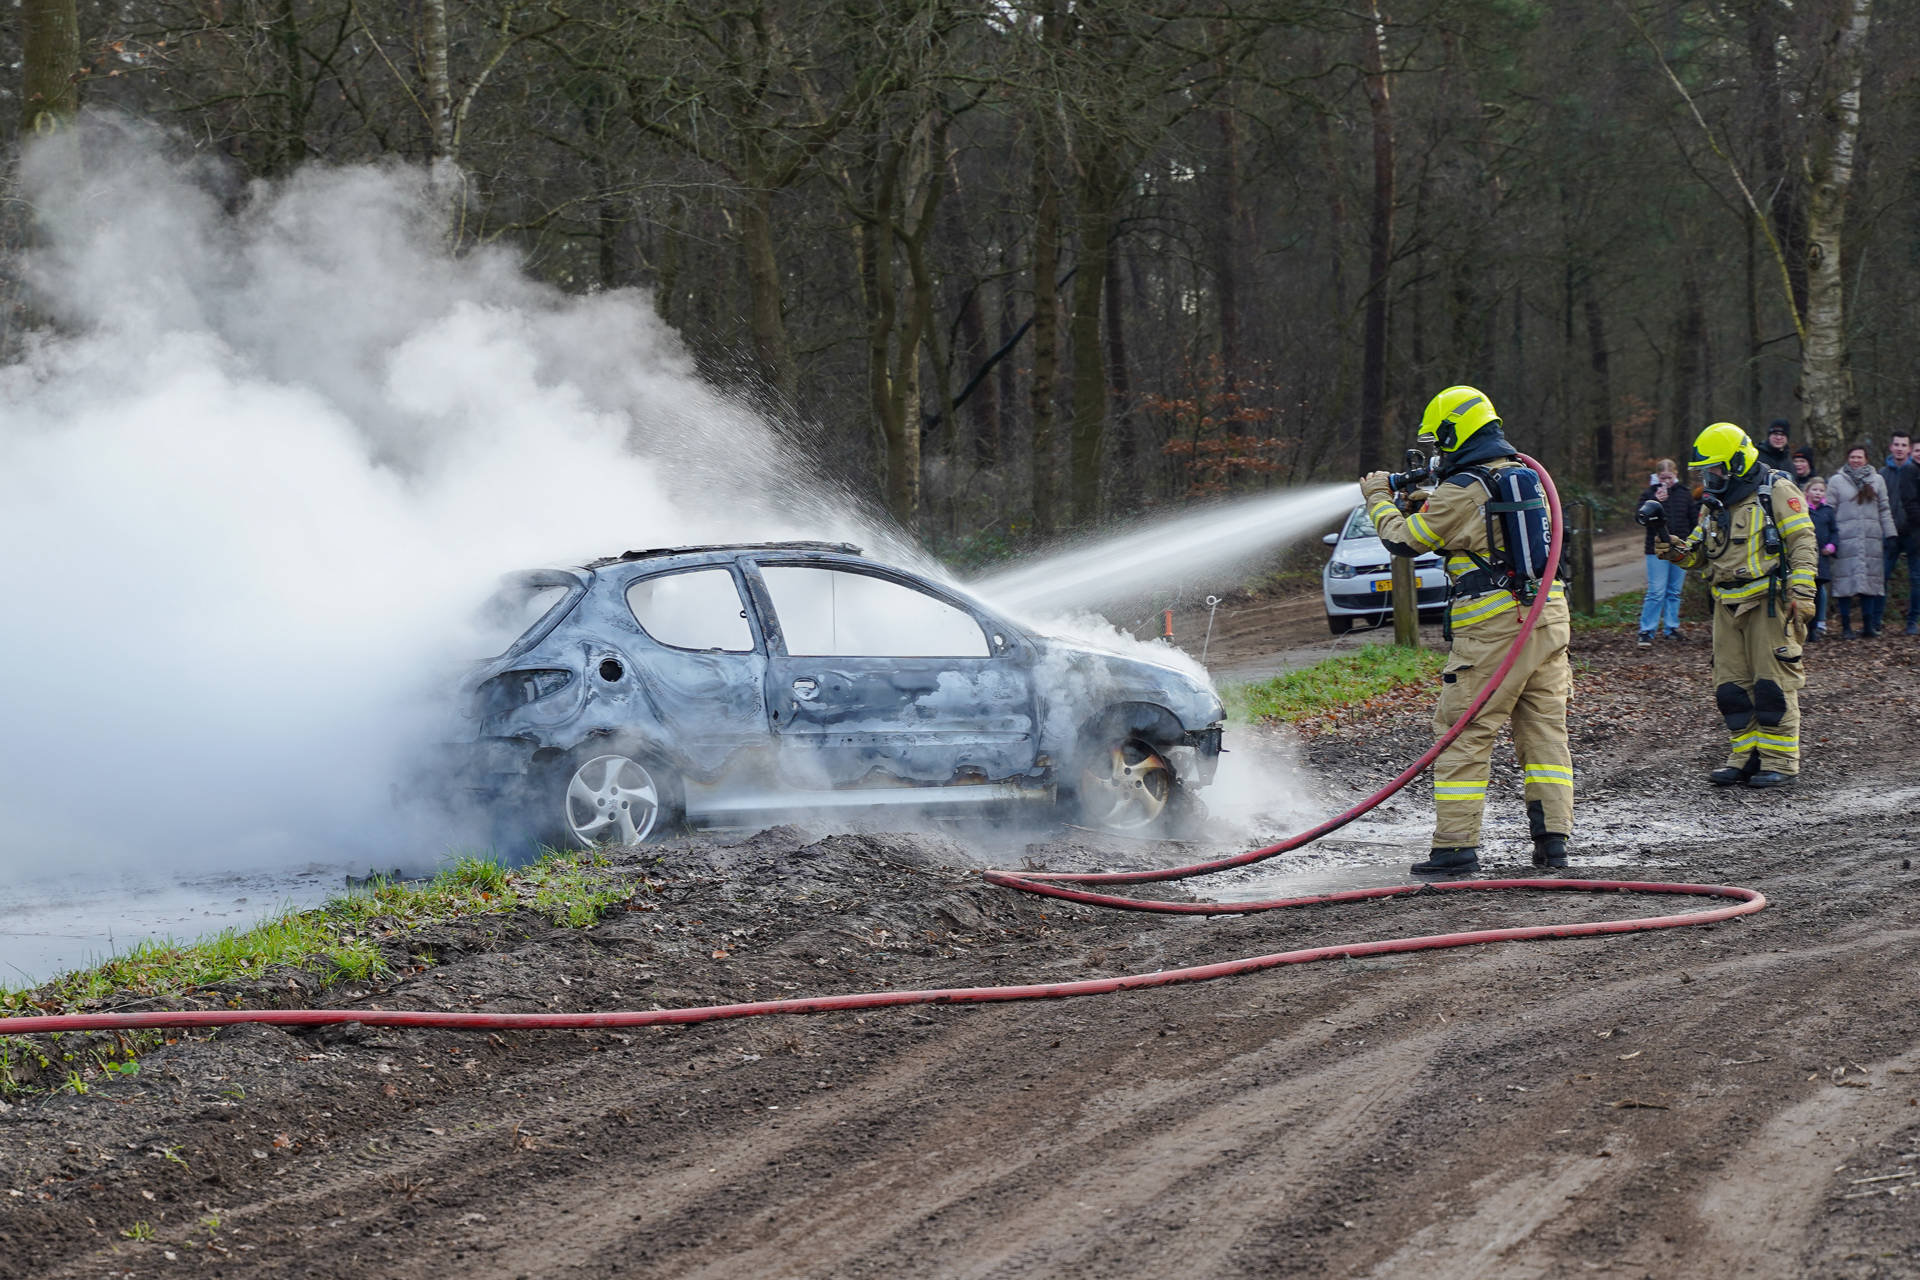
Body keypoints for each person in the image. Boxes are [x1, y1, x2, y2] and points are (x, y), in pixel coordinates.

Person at [1362, 385, 1573, 874]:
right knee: (1544, 733)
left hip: (1495, 628)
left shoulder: (1464, 489)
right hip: (1548, 618)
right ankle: (1553, 843)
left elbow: (1404, 540)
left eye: (1441, 443)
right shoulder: (1525, 477)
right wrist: (1428, 501)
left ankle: (1455, 848)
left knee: (1463, 731)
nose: (1438, 453)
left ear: (1458, 433)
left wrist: (1378, 498)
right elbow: (1480, 529)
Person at [1656, 423, 1816, 788]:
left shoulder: (1775, 489)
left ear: (1738, 462)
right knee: (1731, 689)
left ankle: (1780, 761)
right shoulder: (1714, 503)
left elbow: (1803, 540)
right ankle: (1745, 757)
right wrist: (1673, 548)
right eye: (1704, 470)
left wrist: (1802, 592)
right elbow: (1699, 553)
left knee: (1772, 686)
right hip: (1725, 603)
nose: (1709, 476)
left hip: (1768, 602)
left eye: (1715, 468)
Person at [1828, 445, 1897, 638]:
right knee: (1844, 584)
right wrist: (1829, 537)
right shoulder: (1836, 481)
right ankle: (1846, 627)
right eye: (1852, 457)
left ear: (1866, 459)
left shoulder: (1877, 480)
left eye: (1859, 457)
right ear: (1847, 458)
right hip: (1845, 539)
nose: (1856, 460)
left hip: (1871, 539)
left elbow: (1884, 509)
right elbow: (1829, 510)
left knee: (1870, 584)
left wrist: (1890, 534)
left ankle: (1868, 626)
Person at [1637, 458, 1696, 645]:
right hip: (1655, 549)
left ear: (1676, 475)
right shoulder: (1649, 494)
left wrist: (1692, 543)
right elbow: (1639, 517)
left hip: (1680, 547)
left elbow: (1693, 519)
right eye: (1663, 477)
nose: (1666, 481)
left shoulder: (1685, 494)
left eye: (1669, 477)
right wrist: (1655, 501)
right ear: (1657, 476)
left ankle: (1671, 627)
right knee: (1656, 591)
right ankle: (1646, 630)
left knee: (1674, 591)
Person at [1882, 431, 1920, 635]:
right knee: (1882, 577)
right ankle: (1877, 621)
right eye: (1896, 444)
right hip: (1889, 533)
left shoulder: (1915, 471)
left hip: (1914, 534)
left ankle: (1912, 621)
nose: (1899, 448)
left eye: (1903, 445)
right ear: (1891, 447)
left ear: (1908, 449)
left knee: (1916, 579)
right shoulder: (1882, 474)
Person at [1805, 476, 1838, 642]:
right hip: (1804, 556)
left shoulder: (1827, 511)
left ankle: (1815, 627)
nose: (1817, 493)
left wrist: (1832, 546)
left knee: (1818, 592)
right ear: (1807, 491)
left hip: (1821, 558)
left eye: (1821, 490)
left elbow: (1834, 531)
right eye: (1814, 489)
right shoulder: (1801, 509)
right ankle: (1803, 626)